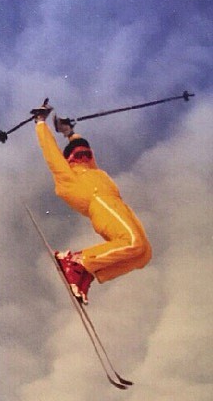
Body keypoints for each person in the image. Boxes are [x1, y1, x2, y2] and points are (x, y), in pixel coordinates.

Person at [31, 102, 152, 303]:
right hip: (99, 202)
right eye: (78, 154)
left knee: (144, 253)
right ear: (70, 158)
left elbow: (82, 147)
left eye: (86, 153)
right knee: (133, 242)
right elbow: (52, 154)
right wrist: (40, 122)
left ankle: (87, 272)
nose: (84, 154)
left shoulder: (93, 170)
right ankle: (77, 261)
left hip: (117, 206)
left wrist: (70, 132)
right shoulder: (68, 175)